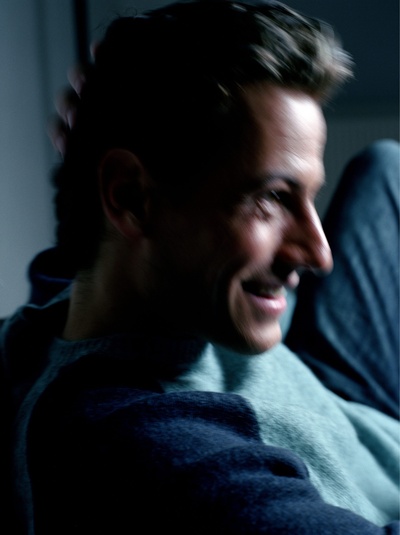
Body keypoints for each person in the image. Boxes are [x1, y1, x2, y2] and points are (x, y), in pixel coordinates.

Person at [1, 1, 399, 533]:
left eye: (306, 197)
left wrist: (93, 159)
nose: (318, 252)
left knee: (387, 169)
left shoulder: (75, 315)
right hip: (372, 464)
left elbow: (87, 261)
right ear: (130, 197)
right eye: (271, 198)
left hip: (332, 404)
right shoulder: (159, 453)